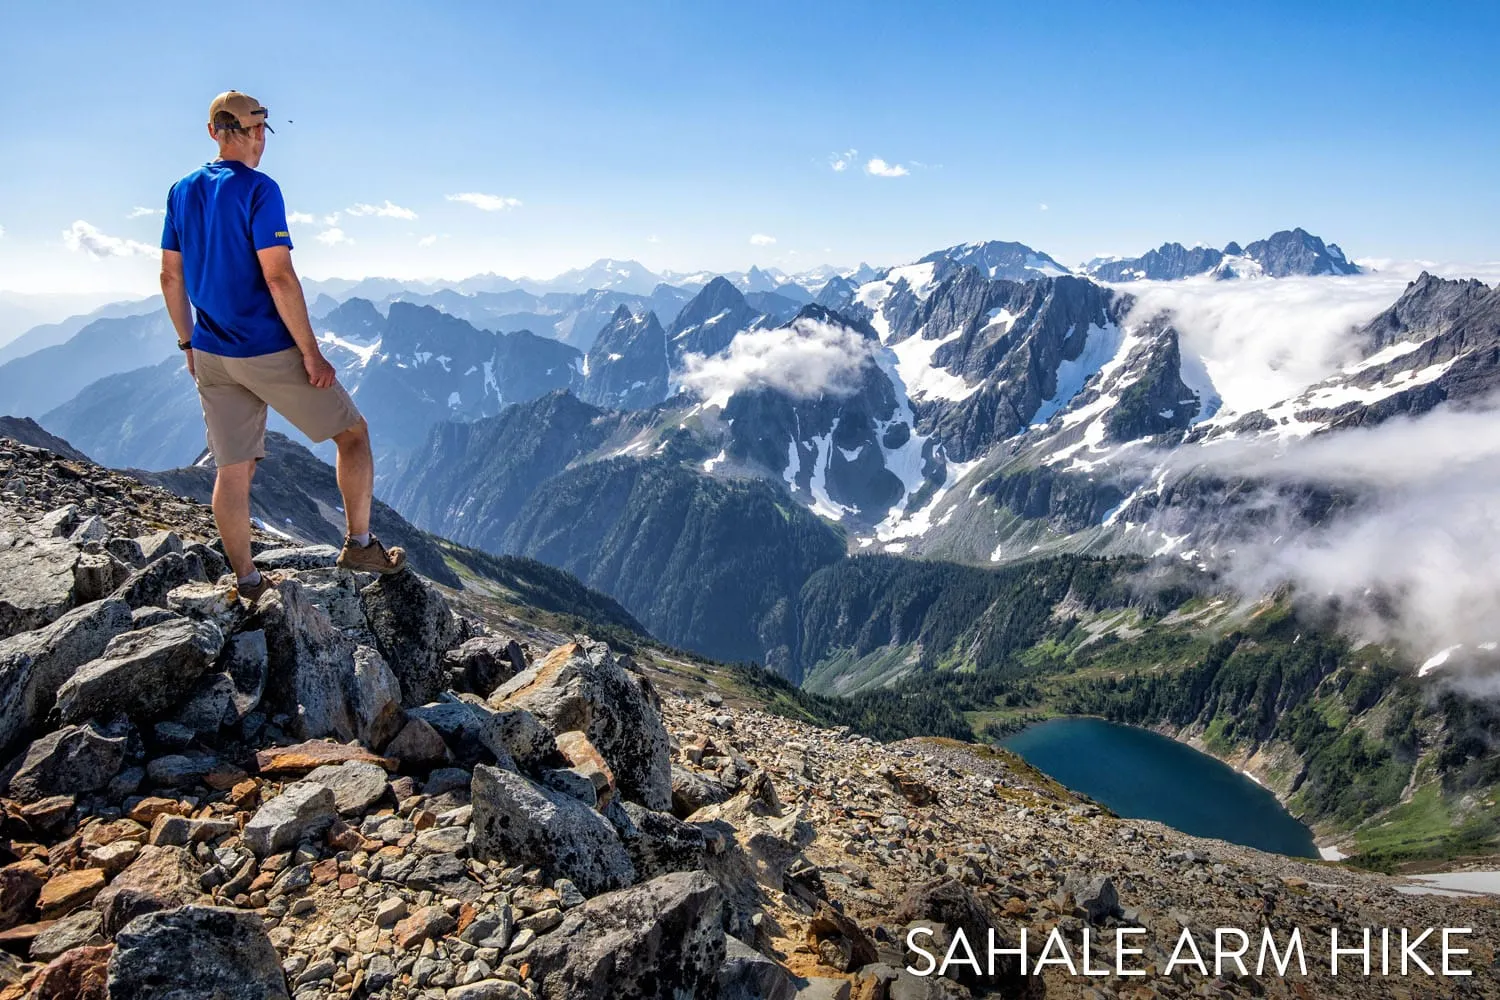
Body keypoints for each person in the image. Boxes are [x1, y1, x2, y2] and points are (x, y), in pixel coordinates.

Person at [159, 90, 406, 603]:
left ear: (212, 132)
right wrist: (311, 354)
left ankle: (247, 581)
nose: (260, 139)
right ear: (253, 134)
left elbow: (170, 276)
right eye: (260, 129)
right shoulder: (260, 190)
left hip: (210, 349)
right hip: (265, 348)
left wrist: (187, 343)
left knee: (232, 467)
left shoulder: (181, 191)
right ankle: (360, 545)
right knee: (352, 434)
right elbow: (279, 276)